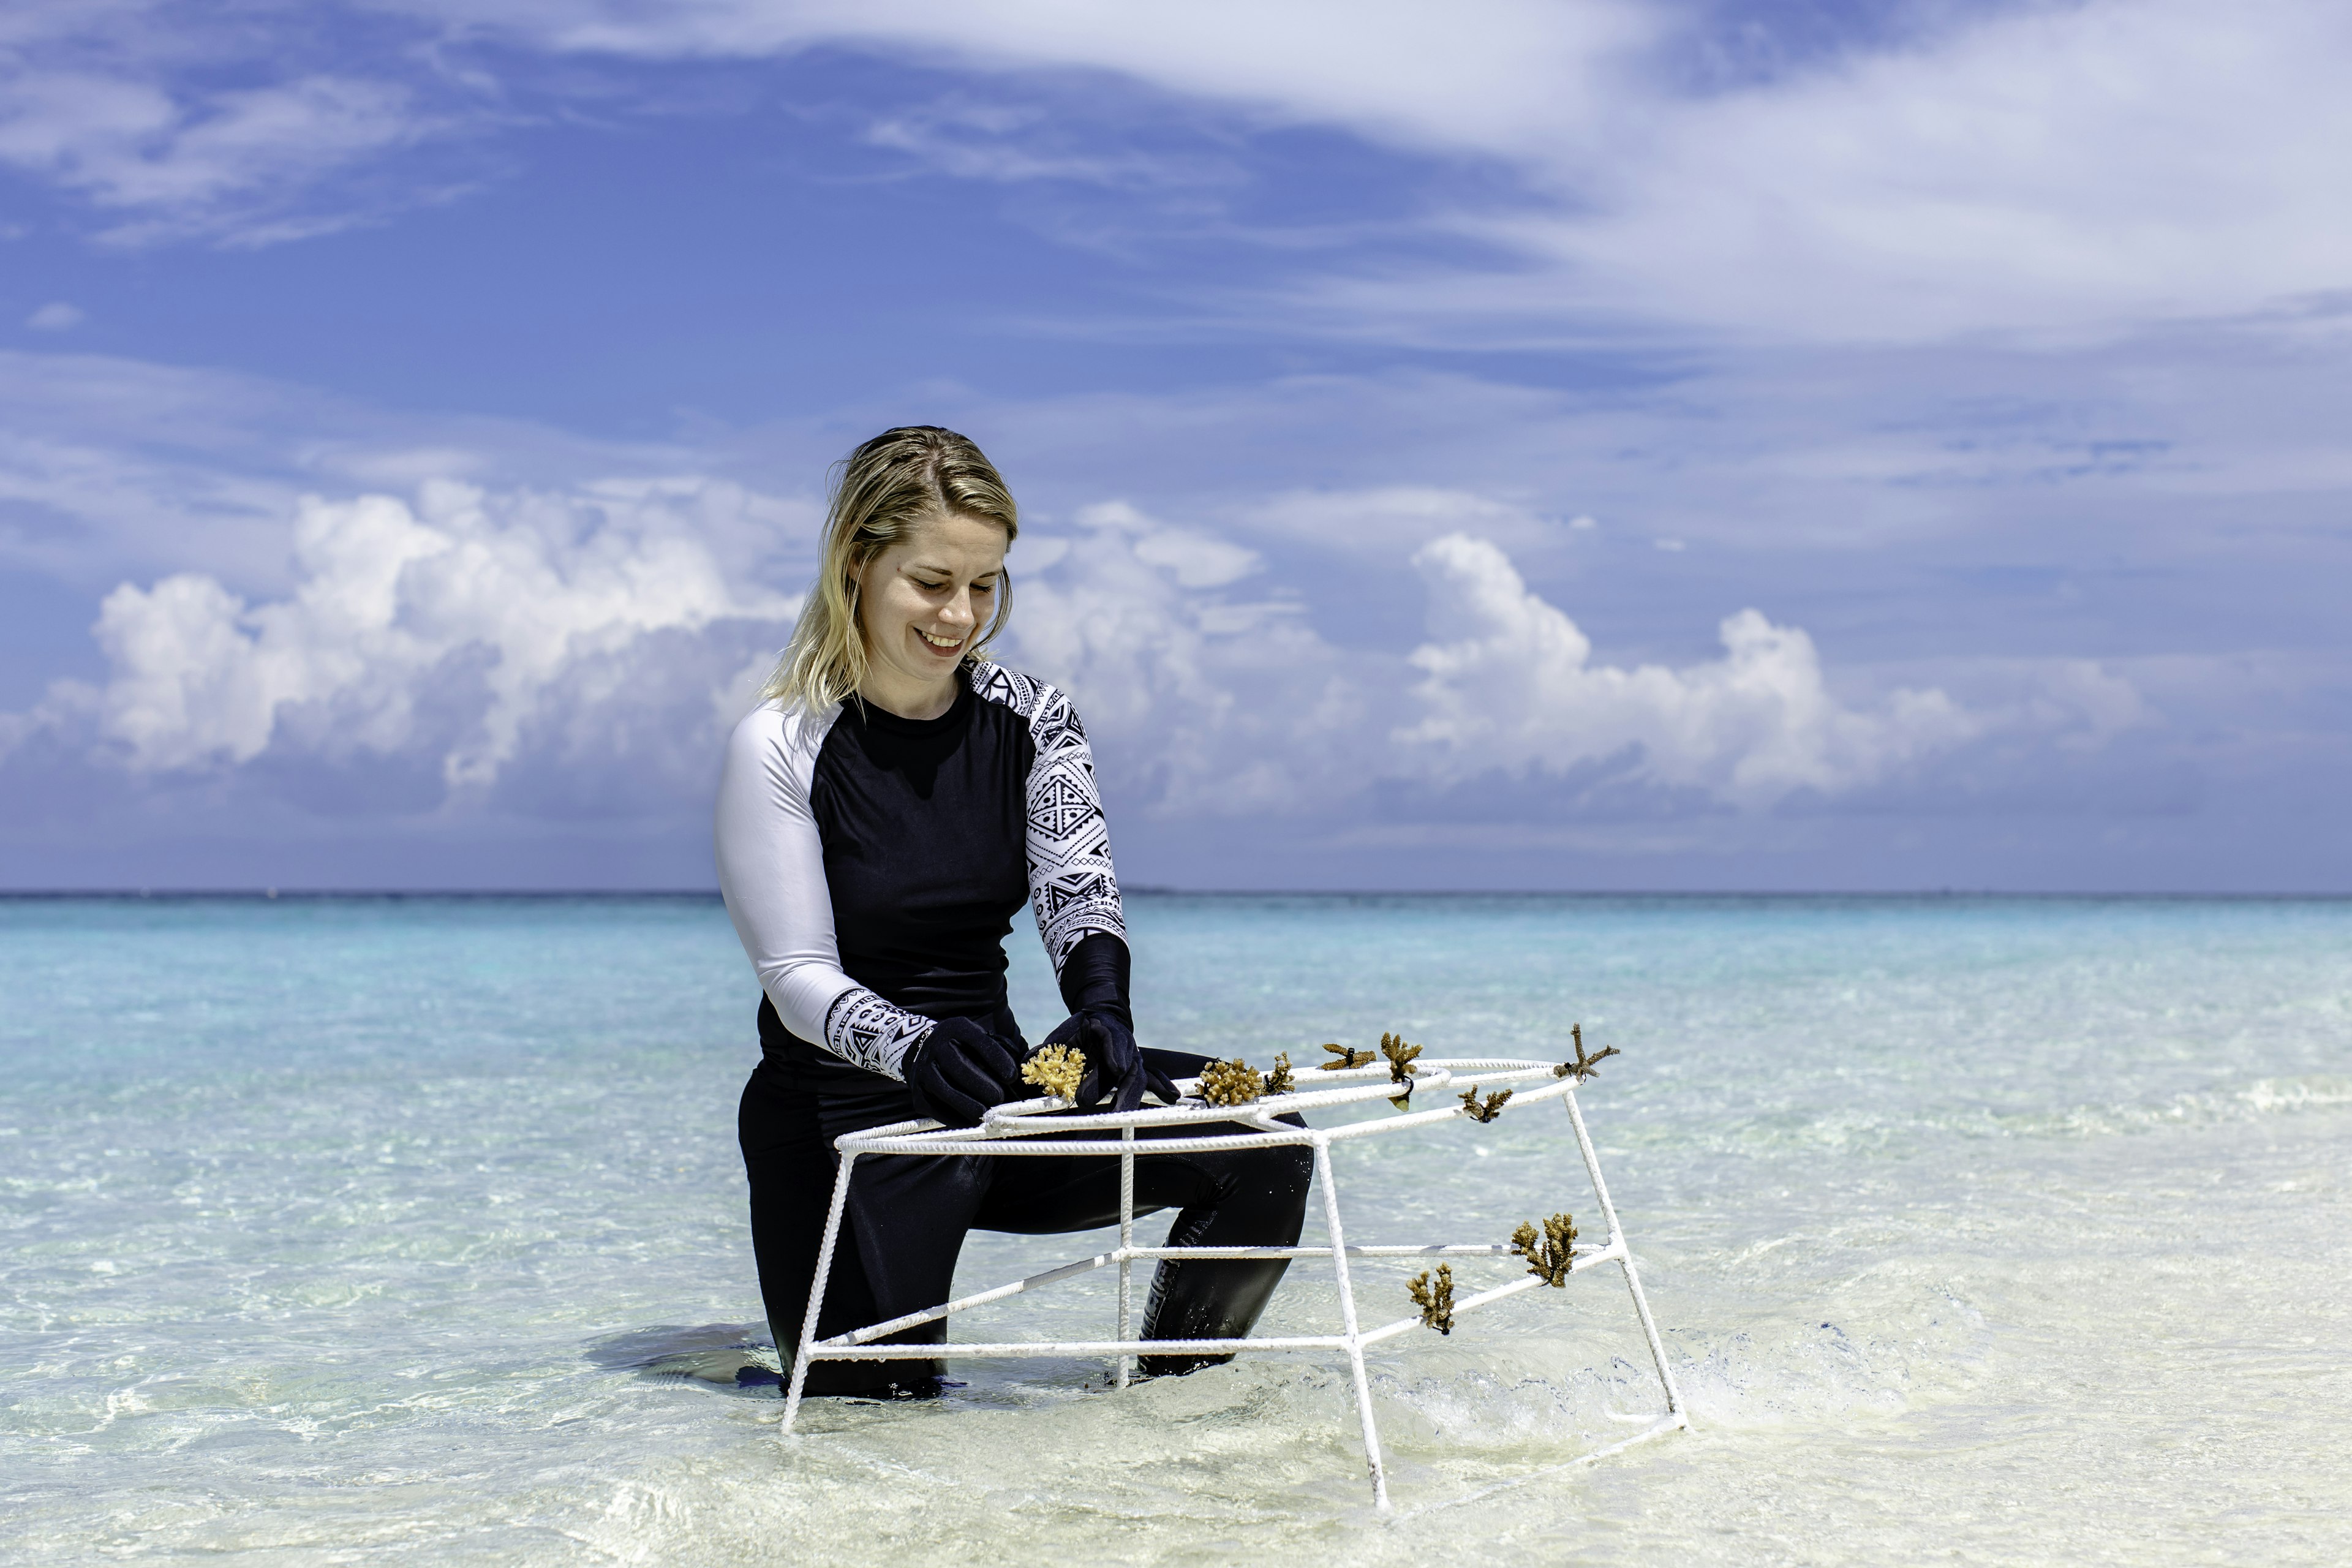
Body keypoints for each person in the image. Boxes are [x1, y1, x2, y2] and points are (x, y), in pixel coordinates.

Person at [716, 426, 1313, 1397]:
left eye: (985, 585)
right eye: (931, 581)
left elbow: (1077, 888)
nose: (961, 615)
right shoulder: (781, 742)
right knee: (876, 1429)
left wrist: (1102, 1008)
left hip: (999, 1091)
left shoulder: (1035, 716)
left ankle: (1167, 1412)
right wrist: (913, 1046)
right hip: (843, 1123)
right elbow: (795, 977)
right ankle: (738, 1370)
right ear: (857, 565)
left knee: (1263, 1142)